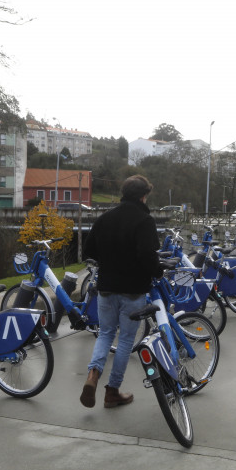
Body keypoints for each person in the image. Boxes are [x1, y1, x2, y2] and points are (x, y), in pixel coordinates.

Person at [80, 175, 163, 409]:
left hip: (106, 288)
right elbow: (148, 256)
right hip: (133, 291)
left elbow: (89, 251)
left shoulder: (105, 218)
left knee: (106, 333)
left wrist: (109, 260)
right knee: (126, 339)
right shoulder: (144, 220)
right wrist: (157, 272)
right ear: (143, 195)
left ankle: (93, 375)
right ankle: (113, 391)